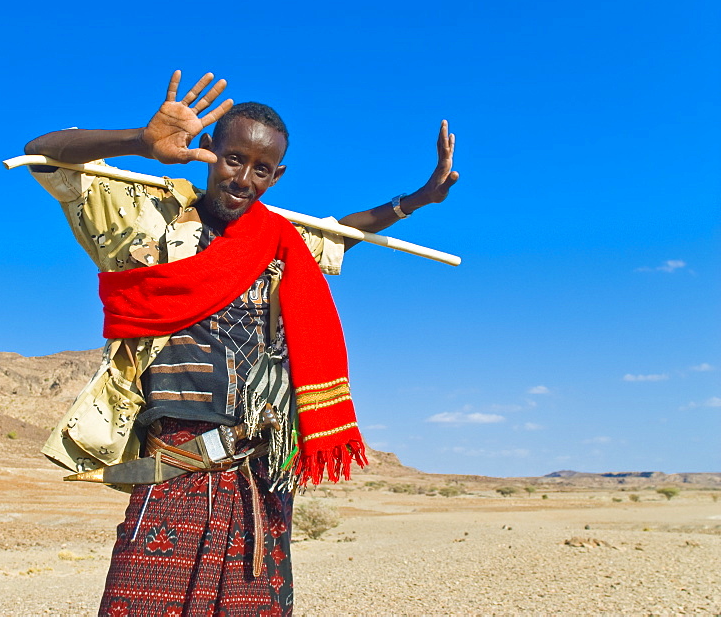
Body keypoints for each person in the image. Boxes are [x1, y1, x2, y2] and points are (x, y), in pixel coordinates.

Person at [23, 71, 457, 615]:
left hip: (262, 478)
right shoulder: (148, 220)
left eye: (261, 170)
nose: (243, 179)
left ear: (277, 176)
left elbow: (344, 232)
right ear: (207, 149)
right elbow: (44, 154)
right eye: (233, 159)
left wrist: (417, 199)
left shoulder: (281, 242)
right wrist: (139, 142)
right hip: (174, 469)